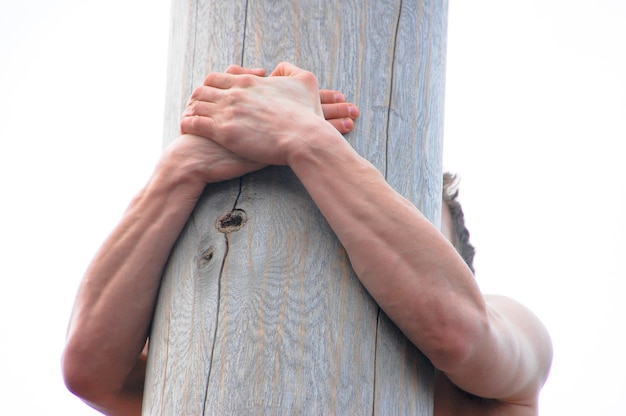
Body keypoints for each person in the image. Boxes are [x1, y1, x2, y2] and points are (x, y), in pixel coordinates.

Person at [62, 62, 552, 415]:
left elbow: (458, 332)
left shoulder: (510, 345)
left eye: (398, 213)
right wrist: (179, 170)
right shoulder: (225, 356)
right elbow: (89, 370)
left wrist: (309, 140)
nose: (340, 236)